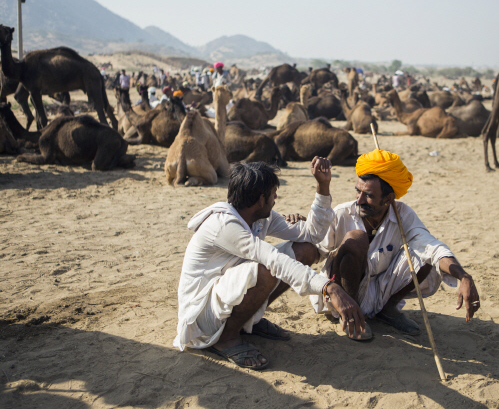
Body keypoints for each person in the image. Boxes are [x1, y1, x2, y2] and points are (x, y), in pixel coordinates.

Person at [174, 159, 366, 370]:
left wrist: (323, 186)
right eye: (273, 193)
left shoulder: (260, 218)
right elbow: (273, 260)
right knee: (266, 270)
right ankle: (226, 338)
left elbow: (311, 234)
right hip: (202, 317)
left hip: (224, 300)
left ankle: (249, 322)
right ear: (261, 199)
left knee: (305, 250)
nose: (276, 198)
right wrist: (328, 287)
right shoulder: (224, 225)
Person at [310, 149, 480, 338]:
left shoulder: (402, 215)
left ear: (389, 199)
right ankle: (350, 316)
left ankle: (388, 310)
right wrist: (304, 224)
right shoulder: (342, 213)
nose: (359, 200)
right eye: (358, 191)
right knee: (356, 238)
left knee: (425, 254)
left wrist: (463, 276)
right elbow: (317, 249)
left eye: (368, 195)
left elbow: (431, 246)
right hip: (340, 294)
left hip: (379, 290)